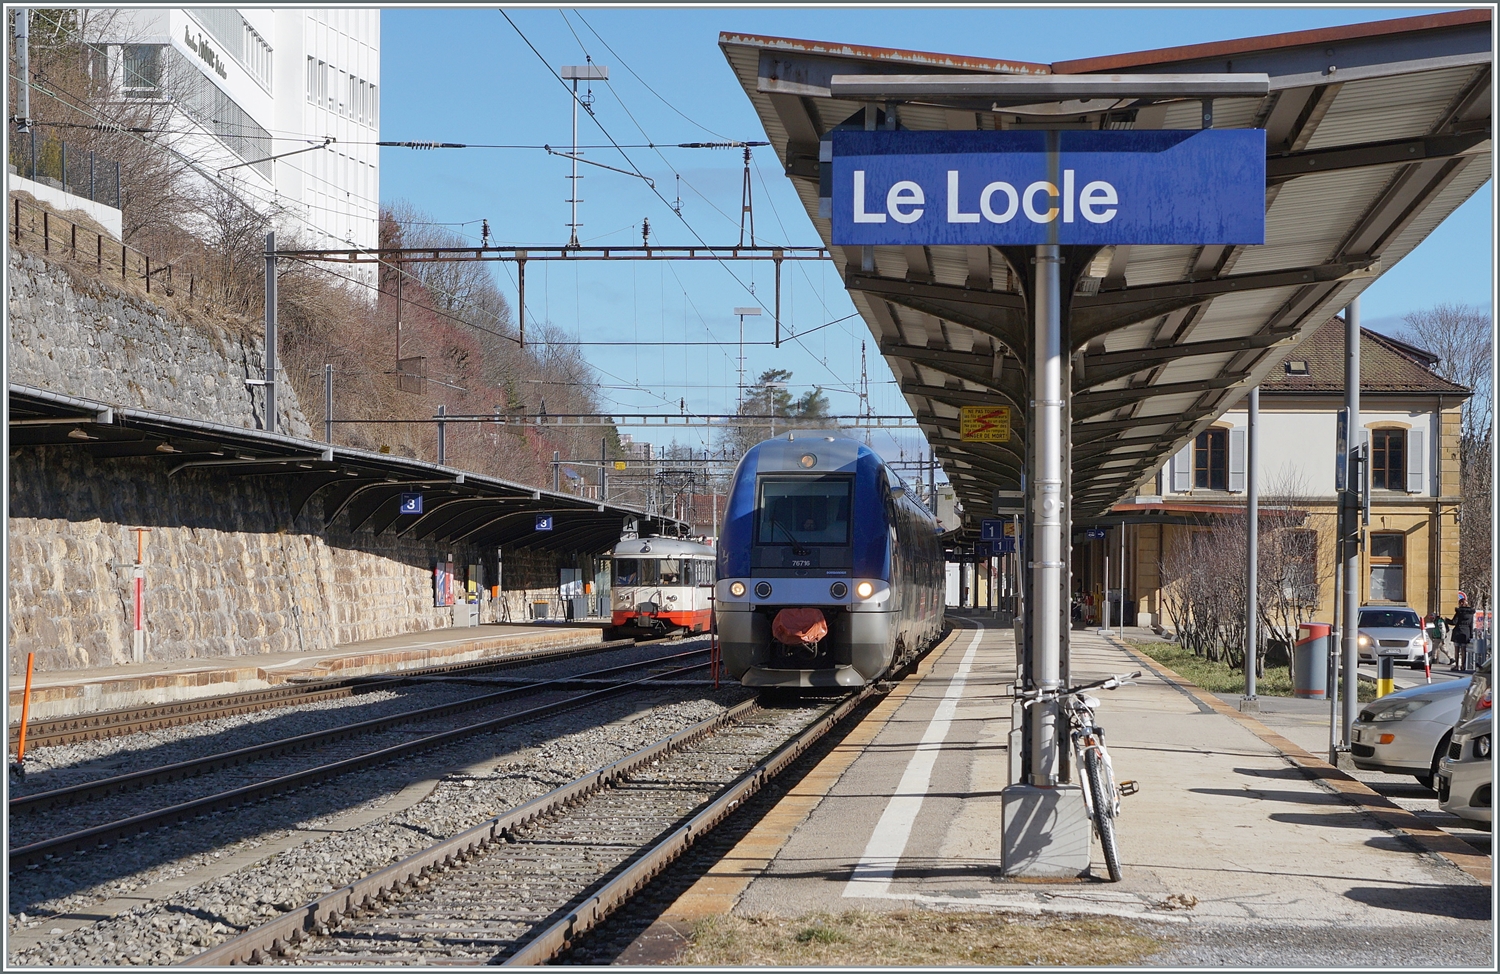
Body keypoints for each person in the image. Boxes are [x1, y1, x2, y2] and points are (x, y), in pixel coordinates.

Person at [1448, 595, 1476, 672]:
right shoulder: (1471, 613)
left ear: (1460, 604)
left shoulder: (1459, 612)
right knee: (1464, 650)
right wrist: (1470, 635)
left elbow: (1454, 622)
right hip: (1466, 633)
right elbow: (1471, 625)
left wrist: (1446, 620)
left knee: (1457, 650)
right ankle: (1463, 666)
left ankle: (1456, 666)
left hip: (1458, 631)